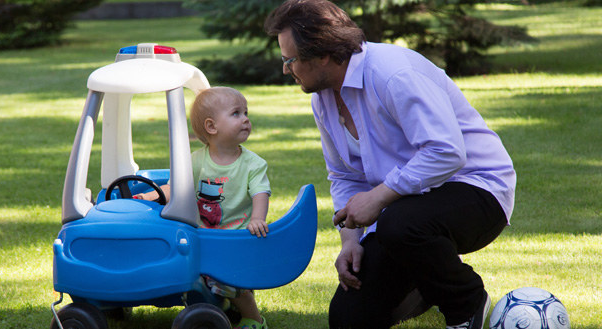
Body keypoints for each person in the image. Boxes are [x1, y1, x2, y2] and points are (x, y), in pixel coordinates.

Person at [264, 1, 516, 329]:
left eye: (290, 59)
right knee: (348, 317)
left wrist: (381, 196)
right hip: (407, 211)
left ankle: (465, 303)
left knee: (400, 225)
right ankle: (427, 281)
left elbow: (448, 152)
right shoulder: (322, 98)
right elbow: (344, 174)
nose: (286, 68)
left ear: (322, 53)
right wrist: (350, 240)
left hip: (478, 190)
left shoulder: (394, 73)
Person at [135, 86, 271, 329]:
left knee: (234, 284)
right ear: (211, 127)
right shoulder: (195, 161)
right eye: (236, 113)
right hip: (201, 235)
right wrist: (150, 196)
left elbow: (261, 192)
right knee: (195, 276)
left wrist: (257, 218)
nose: (246, 119)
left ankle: (255, 319)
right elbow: (175, 187)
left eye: (246, 112)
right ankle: (214, 307)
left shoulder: (253, 164)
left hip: (235, 237)